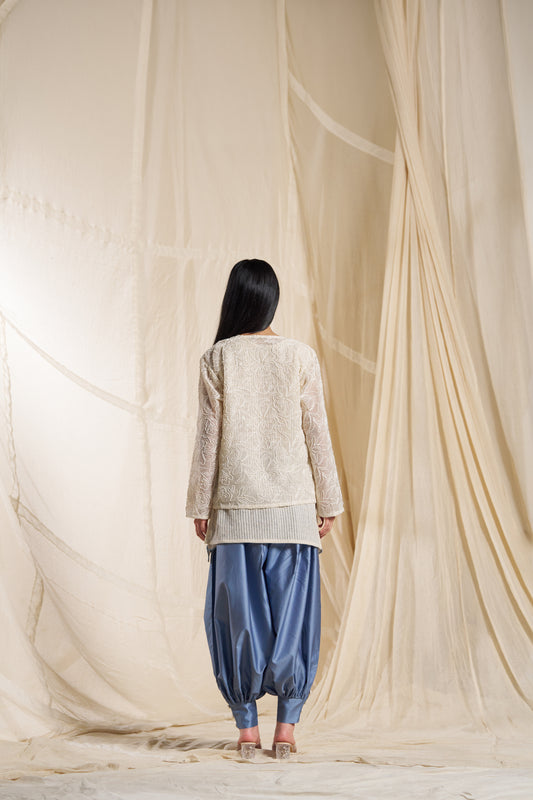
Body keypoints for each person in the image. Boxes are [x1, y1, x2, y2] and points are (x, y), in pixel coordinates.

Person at [185, 259, 344, 760]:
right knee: (294, 621)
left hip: (235, 513)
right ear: (272, 300)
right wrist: (328, 501)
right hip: (294, 512)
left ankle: (248, 732)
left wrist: (200, 505)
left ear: (235, 299)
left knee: (239, 622)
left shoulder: (218, 358)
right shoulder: (301, 356)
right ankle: (287, 731)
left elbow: (207, 440)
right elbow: (318, 433)